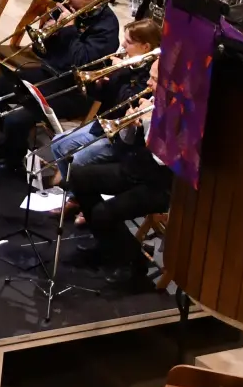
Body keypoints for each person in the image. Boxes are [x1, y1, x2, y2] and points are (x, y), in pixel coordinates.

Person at [0, 0, 120, 172]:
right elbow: (43, 53)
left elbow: (82, 62)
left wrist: (69, 31)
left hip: (76, 90)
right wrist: (49, 35)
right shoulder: (69, 9)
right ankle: (13, 148)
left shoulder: (107, 25)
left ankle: (11, 156)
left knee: (17, 118)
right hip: (49, 74)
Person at [65, 60, 172, 291]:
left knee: (104, 213)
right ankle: (108, 247)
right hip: (135, 168)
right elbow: (127, 143)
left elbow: (164, 159)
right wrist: (129, 127)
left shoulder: (180, 112)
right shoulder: (154, 101)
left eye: (154, 79)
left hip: (161, 183)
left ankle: (134, 265)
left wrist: (147, 124)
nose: (148, 83)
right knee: (80, 177)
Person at [44, 18, 162, 187]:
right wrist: (98, 85)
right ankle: (69, 192)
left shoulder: (150, 73)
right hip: (103, 124)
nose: (123, 45)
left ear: (145, 47)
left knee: (75, 160)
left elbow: (128, 103)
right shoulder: (128, 67)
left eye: (129, 42)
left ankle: (73, 198)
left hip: (121, 139)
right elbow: (105, 99)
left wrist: (119, 73)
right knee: (57, 143)